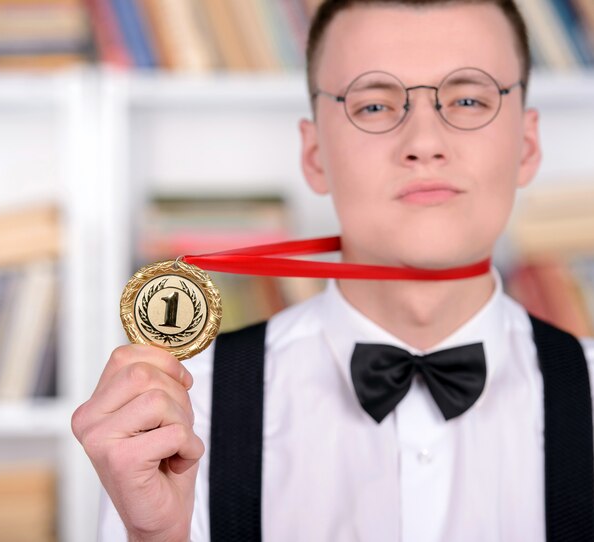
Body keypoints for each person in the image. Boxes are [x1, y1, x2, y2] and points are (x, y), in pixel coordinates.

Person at [72, 1, 594, 541]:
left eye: (467, 99)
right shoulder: (184, 408)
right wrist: (156, 535)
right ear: (315, 152)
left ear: (528, 144)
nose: (424, 144)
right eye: (373, 106)